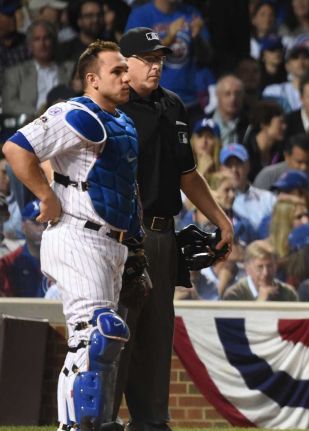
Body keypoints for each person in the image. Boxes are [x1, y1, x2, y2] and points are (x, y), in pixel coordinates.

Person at [3, 40, 140, 430]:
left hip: (110, 242)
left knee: (104, 343)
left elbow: (126, 187)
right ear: (92, 79)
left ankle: (92, 423)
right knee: (93, 337)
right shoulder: (77, 112)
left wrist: (135, 238)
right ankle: (75, 426)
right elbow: (16, 148)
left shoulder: (122, 122)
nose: (125, 76)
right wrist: (47, 195)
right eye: (117, 71)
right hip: (77, 235)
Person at [112, 28, 234, 431]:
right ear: (124, 64)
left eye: (160, 58)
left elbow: (188, 174)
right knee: (117, 331)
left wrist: (220, 219)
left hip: (164, 233)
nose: (156, 65)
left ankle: (150, 421)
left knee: (157, 332)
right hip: (123, 235)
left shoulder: (174, 105)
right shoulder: (112, 108)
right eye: (147, 58)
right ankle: (102, 419)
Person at [124, 0, 212, 115]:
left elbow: (207, 57)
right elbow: (132, 57)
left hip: (190, 100)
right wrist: (169, 38)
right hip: (154, 102)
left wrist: (198, 37)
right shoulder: (140, 16)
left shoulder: (191, 12)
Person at [2, 20, 74, 117]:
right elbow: (8, 105)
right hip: (31, 125)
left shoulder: (70, 69)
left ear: (53, 42)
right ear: (30, 45)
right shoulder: (15, 73)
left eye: (46, 38)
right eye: (37, 39)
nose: (42, 44)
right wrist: (41, 112)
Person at [0, 200, 46, 297]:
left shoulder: (62, 258)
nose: (42, 228)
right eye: (36, 222)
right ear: (23, 226)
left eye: (46, 223)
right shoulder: (9, 262)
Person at [222, 242, 298, 301]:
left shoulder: (288, 293)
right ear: (247, 269)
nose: (266, 273)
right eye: (260, 267)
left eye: (270, 266)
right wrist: (261, 301)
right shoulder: (234, 295)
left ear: (276, 266)